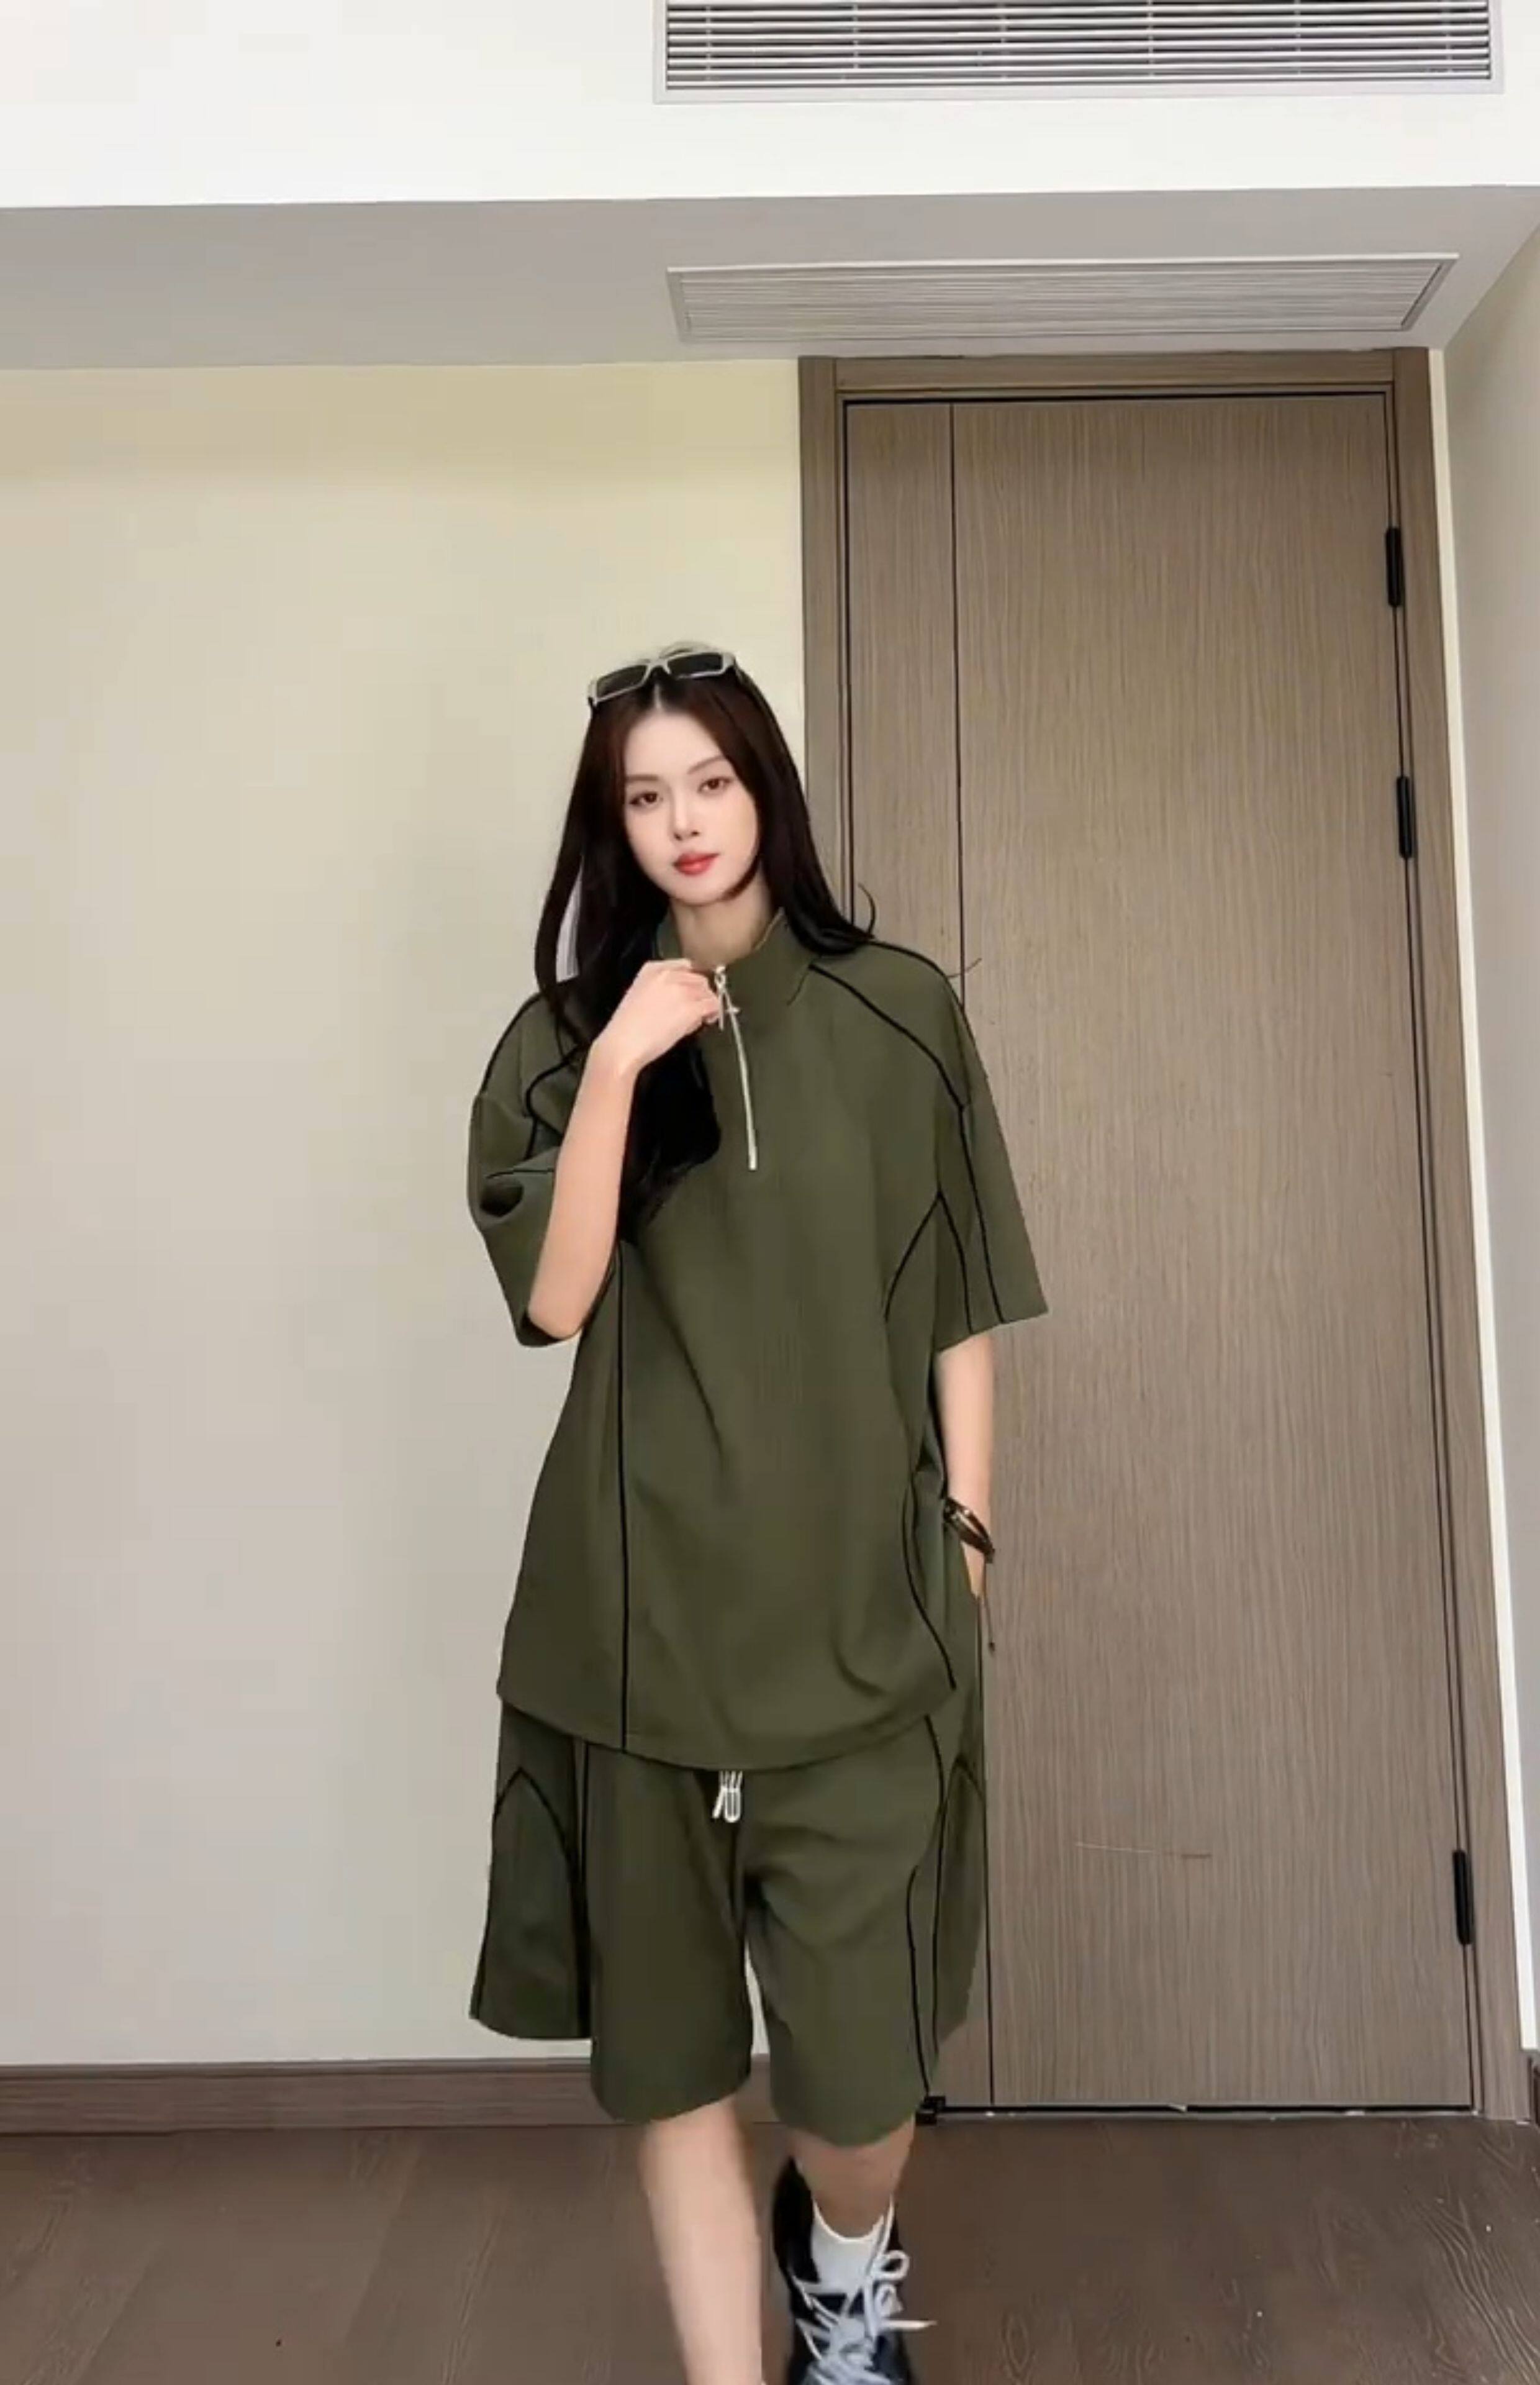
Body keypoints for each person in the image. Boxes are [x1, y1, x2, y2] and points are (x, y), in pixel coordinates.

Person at [465, 642, 1048, 2384]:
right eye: (644, 797)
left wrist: (967, 1537)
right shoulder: (559, 1046)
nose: (684, 822)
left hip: (863, 1634)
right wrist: (623, 1067)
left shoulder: (903, 1013)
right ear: (613, 826)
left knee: (862, 2093)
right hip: (633, 1648)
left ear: (763, 789)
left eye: (710, 782)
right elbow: (553, 1299)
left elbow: (959, 1299)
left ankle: (841, 2265)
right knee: (672, 2074)